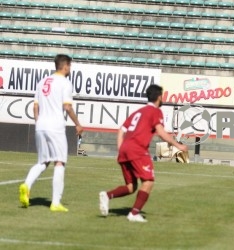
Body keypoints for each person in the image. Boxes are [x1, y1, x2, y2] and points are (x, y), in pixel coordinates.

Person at [98, 84, 188, 222]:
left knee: (131, 187)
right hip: (137, 149)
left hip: (125, 149)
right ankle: (134, 214)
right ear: (159, 97)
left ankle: (107, 195)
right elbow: (161, 132)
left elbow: (121, 130)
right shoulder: (156, 112)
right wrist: (178, 145)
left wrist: (120, 149)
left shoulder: (138, 112)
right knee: (148, 181)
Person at [19, 54, 84, 212]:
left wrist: (39, 122)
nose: (70, 69)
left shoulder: (42, 82)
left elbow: (35, 107)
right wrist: (78, 124)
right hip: (55, 126)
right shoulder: (65, 83)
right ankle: (55, 202)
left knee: (43, 162)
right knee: (59, 162)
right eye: (70, 66)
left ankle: (26, 185)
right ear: (66, 66)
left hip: (41, 125)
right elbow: (67, 107)